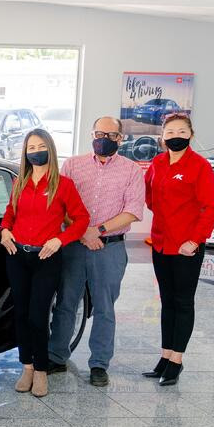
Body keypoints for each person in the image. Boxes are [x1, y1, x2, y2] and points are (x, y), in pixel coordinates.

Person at [48, 116, 145, 386]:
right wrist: (81, 231)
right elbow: (61, 205)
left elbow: (133, 212)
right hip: (74, 246)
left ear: (120, 139)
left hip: (109, 248)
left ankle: (99, 364)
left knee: (104, 307)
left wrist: (96, 230)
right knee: (66, 303)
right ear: (91, 133)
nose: (105, 138)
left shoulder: (131, 170)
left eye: (112, 135)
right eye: (100, 133)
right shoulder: (73, 165)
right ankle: (56, 357)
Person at [0, 129, 90, 398]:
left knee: (38, 317)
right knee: (21, 315)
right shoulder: (20, 182)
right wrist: (5, 230)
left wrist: (60, 240)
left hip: (46, 258)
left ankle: (41, 371)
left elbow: (82, 219)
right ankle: (26, 367)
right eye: (30, 147)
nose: (35, 151)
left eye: (40, 146)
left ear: (49, 149)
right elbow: (10, 212)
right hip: (17, 255)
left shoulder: (64, 185)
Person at [143, 113, 214, 386]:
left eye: (182, 131)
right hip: (161, 243)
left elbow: (212, 207)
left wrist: (195, 239)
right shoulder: (157, 162)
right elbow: (150, 198)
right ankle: (164, 356)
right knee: (167, 301)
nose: (176, 135)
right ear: (163, 136)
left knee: (183, 302)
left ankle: (177, 360)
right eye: (170, 131)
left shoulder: (199, 166)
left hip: (187, 247)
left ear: (190, 134)